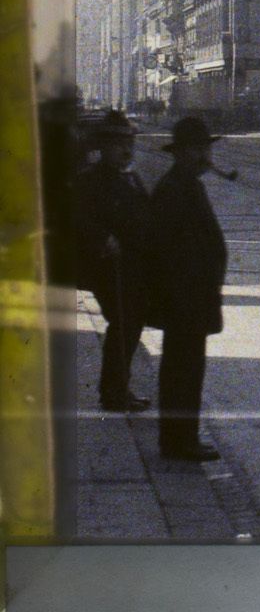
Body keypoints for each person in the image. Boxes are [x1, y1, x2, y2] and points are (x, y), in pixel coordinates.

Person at [144, 116, 229, 464]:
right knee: (183, 372)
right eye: (198, 149)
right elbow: (167, 250)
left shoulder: (187, 184)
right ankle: (179, 442)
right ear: (180, 153)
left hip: (192, 297)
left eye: (206, 147)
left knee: (187, 370)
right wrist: (183, 297)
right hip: (184, 299)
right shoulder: (174, 188)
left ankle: (182, 438)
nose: (205, 155)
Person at [75, 110, 152, 412]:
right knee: (124, 323)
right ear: (104, 146)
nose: (126, 150)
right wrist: (103, 237)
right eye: (119, 144)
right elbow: (78, 218)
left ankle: (117, 390)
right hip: (107, 267)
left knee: (128, 324)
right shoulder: (90, 180)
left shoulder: (130, 178)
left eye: (130, 143)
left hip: (132, 267)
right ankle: (114, 393)